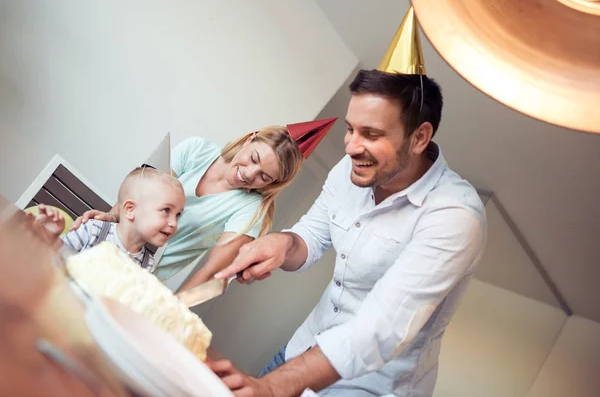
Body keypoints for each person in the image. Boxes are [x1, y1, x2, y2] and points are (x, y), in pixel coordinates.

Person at [212, 69, 487, 396]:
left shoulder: (455, 216)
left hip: (372, 386)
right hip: (302, 353)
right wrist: (281, 244)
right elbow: (311, 237)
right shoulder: (351, 168)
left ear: (419, 137)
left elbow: (380, 329)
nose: (352, 146)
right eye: (350, 129)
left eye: (371, 134)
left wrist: (272, 389)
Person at [70, 120, 337, 289]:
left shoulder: (250, 209)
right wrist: (108, 218)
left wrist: (171, 312)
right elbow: (142, 192)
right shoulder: (196, 150)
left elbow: (213, 271)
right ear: (249, 138)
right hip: (107, 252)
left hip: (137, 283)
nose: (249, 174)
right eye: (253, 158)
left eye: (264, 177)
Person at [34, 166, 185, 272]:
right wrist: (51, 238)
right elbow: (51, 260)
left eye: (178, 215)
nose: (174, 223)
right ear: (130, 209)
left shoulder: (147, 266)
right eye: (166, 210)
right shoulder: (94, 230)